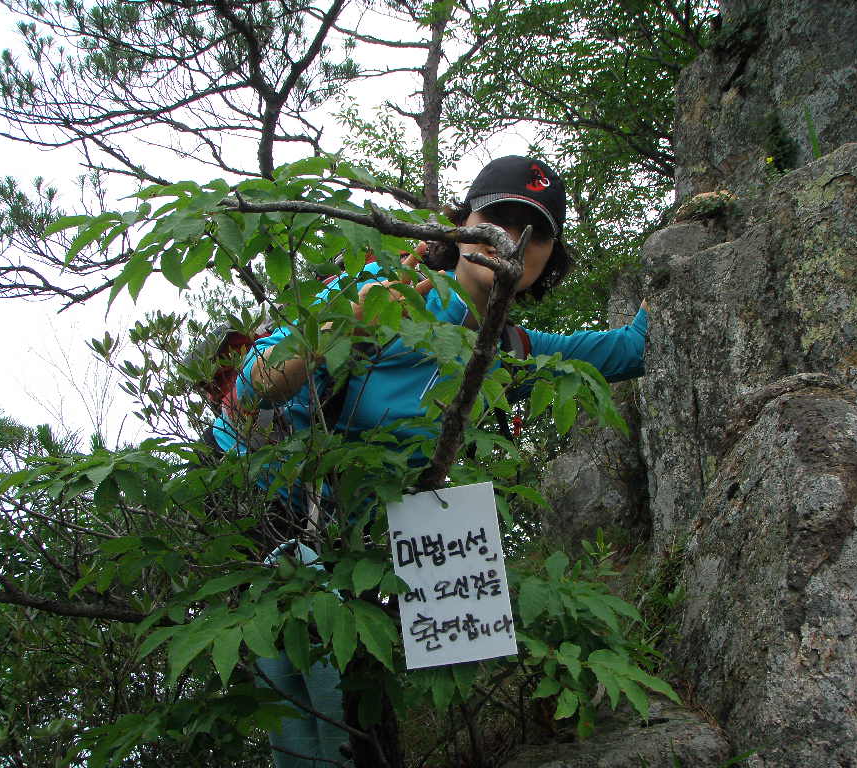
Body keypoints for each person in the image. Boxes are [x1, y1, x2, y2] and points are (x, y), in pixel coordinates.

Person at [211, 155, 650, 766]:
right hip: (273, 519)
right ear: (462, 224)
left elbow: (626, 349)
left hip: (362, 556)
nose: (511, 238)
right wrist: (351, 323)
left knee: (340, 728)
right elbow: (252, 389)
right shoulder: (386, 290)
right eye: (495, 216)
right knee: (316, 726)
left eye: (536, 231)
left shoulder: (507, 348)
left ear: (549, 257)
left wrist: (688, 243)